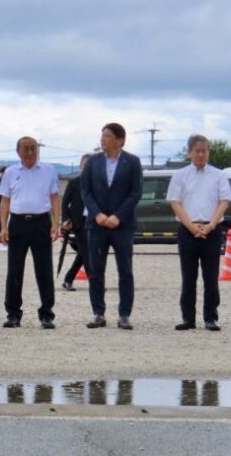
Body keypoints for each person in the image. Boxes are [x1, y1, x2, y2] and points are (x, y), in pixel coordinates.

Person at [167, 134, 231, 332]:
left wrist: (211, 225)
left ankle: (211, 317)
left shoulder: (219, 175)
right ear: (189, 153)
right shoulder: (180, 175)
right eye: (197, 151)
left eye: (204, 151)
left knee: (211, 277)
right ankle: (188, 317)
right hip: (188, 229)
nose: (201, 155)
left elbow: (224, 202)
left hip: (212, 229)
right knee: (188, 276)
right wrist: (191, 226)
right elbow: (175, 203)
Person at [80, 123, 142, 330]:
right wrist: (96, 213)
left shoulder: (132, 162)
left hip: (122, 225)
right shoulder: (93, 161)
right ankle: (98, 313)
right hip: (97, 224)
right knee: (96, 271)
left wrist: (118, 216)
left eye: (107, 136)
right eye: (102, 135)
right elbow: (85, 189)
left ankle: (124, 314)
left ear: (119, 140)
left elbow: (136, 192)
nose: (103, 139)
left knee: (125, 270)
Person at [0, 136, 60, 329]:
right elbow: (5, 201)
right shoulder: (10, 172)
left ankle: (47, 314)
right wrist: (3, 226)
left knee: (44, 269)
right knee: (14, 269)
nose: (31, 152)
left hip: (41, 222)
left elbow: (55, 198)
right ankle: (13, 314)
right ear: (18, 152)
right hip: (17, 223)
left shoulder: (49, 170)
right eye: (26, 148)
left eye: (34, 148)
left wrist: (56, 223)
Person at [61, 154, 91, 291]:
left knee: (84, 253)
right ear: (80, 166)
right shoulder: (74, 183)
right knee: (87, 252)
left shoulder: (99, 183)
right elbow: (65, 203)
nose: (87, 167)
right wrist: (65, 219)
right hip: (79, 222)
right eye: (85, 164)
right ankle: (95, 282)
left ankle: (68, 279)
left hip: (95, 221)